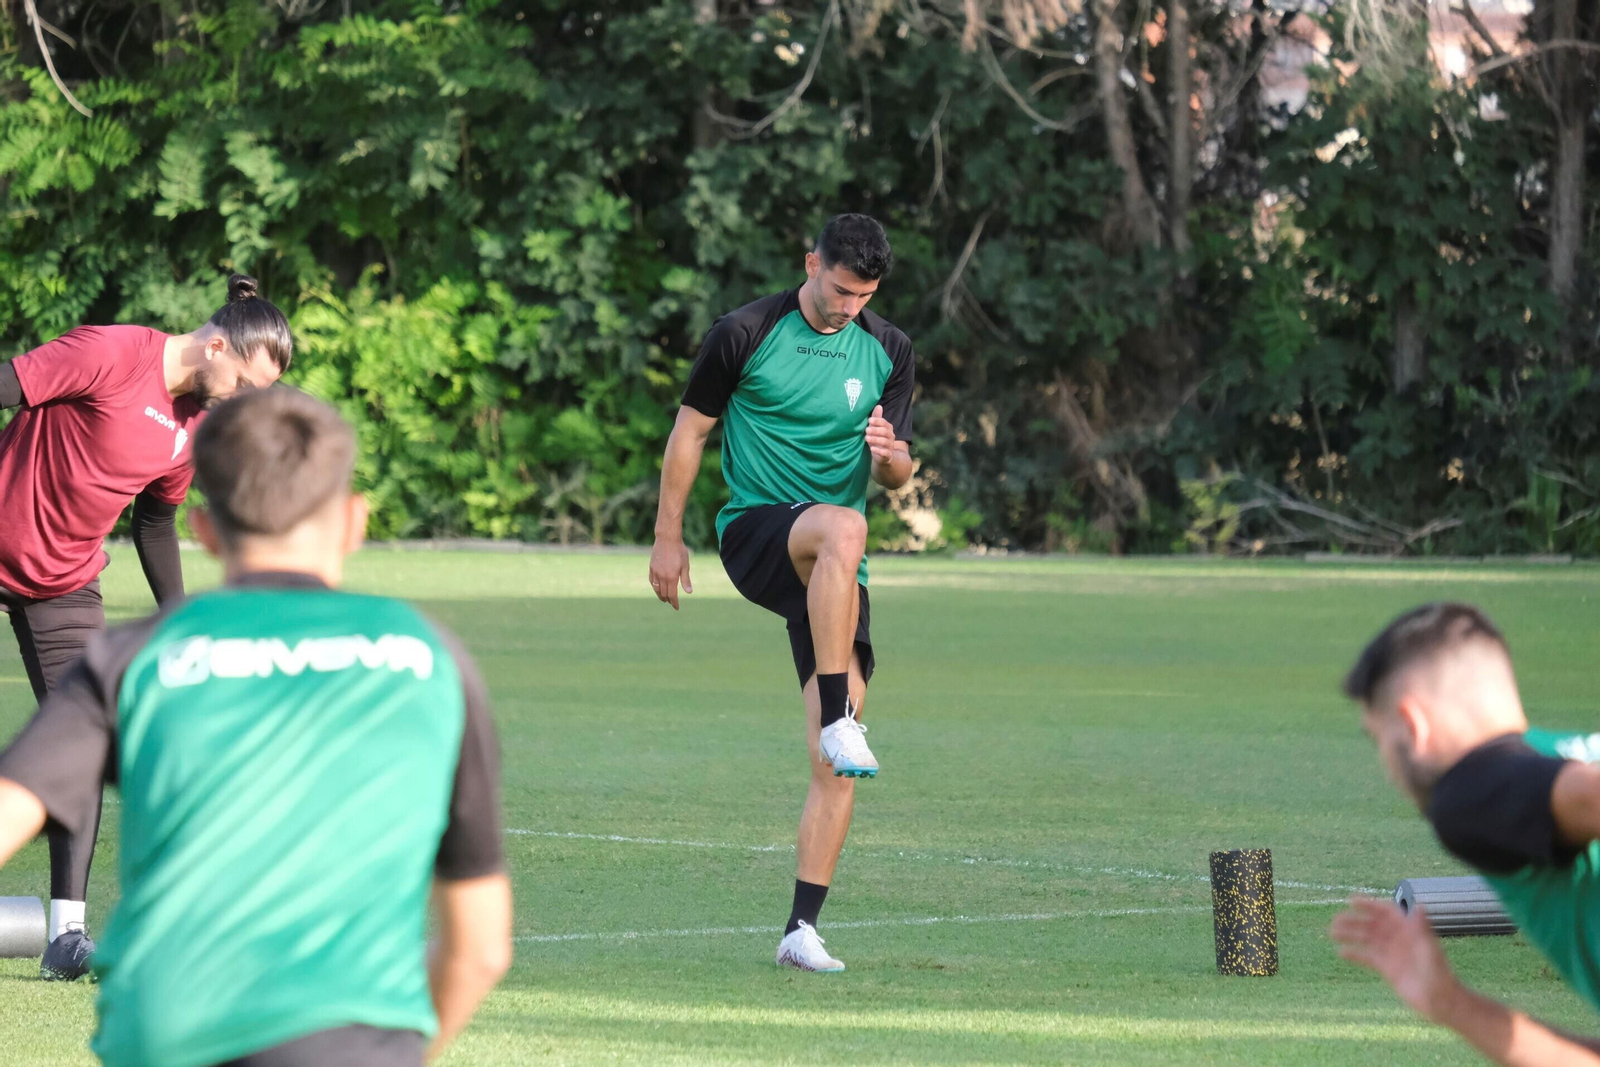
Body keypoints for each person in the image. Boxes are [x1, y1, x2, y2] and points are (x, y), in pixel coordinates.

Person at [0, 388, 511, 1066]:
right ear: (354, 521)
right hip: (357, 1047)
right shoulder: (427, 658)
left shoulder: (135, 658)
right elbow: (481, 948)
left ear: (204, 530)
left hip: (167, 1039)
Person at [0, 272, 290, 979]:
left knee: (82, 745)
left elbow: (155, 523)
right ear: (215, 346)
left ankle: (66, 936)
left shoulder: (196, 428)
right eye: (245, 385)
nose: (244, 403)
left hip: (64, 582)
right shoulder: (110, 353)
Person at [648, 213, 915, 972]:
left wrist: (890, 458)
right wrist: (668, 535)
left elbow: (899, 472)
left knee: (836, 764)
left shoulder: (889, 349)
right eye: (841, 290)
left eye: (865, 296)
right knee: (843, 529)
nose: (851, 307)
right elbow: (690, 432)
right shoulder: (744, 332)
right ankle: (838, 717)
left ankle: (801, 930)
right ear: (810, 264)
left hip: (836, 569)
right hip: (759, 532)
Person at [1333, 602, 1600, 1066]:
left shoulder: (1468, 793)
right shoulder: (1560, 759)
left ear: (1412, 725)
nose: (1388, 769)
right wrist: (1451, 1004)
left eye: (1380, 740)